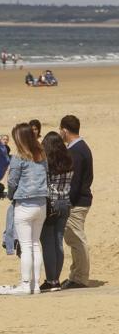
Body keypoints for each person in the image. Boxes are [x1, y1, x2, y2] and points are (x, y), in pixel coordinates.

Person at [5, 123, 48, 295]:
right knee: (36, 244)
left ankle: (25, 283)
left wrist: (10, 195)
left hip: (24, 204)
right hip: (41, 203)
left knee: (26, 245)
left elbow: (12, 181)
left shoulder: (19, 157)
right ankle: (35, 284)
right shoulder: (41, 155)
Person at [59, 115, 93, 289]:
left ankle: (80, 277)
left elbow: (75, 181)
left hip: (77, 202)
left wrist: (67, 203)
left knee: (76, 239)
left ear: (65, 130)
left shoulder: (76, 150)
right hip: (81, 199)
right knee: (75, 239)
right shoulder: (80, 147)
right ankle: (76, 274)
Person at [40, 131, 73, 292]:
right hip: (65, 203)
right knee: (58, 242)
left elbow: (44, 185)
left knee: (47, 243)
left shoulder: (47, 163)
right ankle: (56, 279)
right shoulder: (68, 160)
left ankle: (51, 280)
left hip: (51, 204)